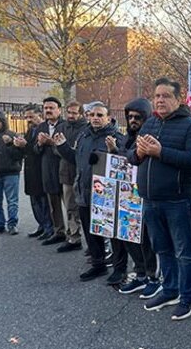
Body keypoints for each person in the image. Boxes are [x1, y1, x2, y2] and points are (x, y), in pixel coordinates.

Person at [128, 78, 191, 320]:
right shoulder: (149, 123)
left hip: (178, 200)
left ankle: (188, 298)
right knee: (162, 249)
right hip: (150, 199)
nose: (160, 100)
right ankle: (170, 290)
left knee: (184, 252)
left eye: (165, 96)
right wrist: (139, 153)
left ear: (178, 99)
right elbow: (132, 157)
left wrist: (160, 152)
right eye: (157, 96)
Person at [55, 102, 126, 281]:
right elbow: (76, 159)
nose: (95, 118)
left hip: (105, 194)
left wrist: (114, 151)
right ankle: (98, 265)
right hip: (84, 192)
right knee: (91, 233)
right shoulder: (84, 135)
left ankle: (119, 268)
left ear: (108, 118)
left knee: (112, 234)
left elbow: (124, 165)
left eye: (99, 115)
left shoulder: (115, 136)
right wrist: (63, 146)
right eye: (92, 114)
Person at [109, 97, 161, 298]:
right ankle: (140, 274)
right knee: (130, 237)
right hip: (126, 199)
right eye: (129, 117)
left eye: (137, 117)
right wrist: (115, 151)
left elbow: (136, 159)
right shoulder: (126, 138)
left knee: (147, 241)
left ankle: (153, 277)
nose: (133, 120)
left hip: (145, 197)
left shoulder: (149, 136)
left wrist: (119, 151)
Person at [54, 101, 87, 253]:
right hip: (66, 173)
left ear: (81, 114)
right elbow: (55, 148)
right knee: (70, 207)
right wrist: (63, 149)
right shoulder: (61, 127)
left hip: (83, 174)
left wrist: (70, 150)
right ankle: (74, 237)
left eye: (74, 113)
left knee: (88, 209)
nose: (71, 115)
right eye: (69, 112)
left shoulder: (86, 129)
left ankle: (96, 244)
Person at [34, 97, 67, 245]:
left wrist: (51, 143)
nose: (48, 110)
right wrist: (40, 144)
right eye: (46, 108)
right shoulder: (40, 127)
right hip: (48, 170)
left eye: (51, 108)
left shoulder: (66, 126)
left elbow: (68, 148)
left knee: (71, 206)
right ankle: (58, 231)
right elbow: (35, 150)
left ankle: (75, 234)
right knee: (53, 205)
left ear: (59, 110)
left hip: (64, 169)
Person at [18, 104, 53, 239]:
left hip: (41, 169)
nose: (28, 119)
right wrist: (18, 145)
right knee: (35, 201)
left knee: (44, 202)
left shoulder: (44, 129)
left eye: (31, 116)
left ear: (40, 115)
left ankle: (49, 228)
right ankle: (41, 225)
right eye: (26, 117)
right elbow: (27, 149)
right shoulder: (30, 130)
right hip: (30, 170)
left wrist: (25, 145)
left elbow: (37, 150)